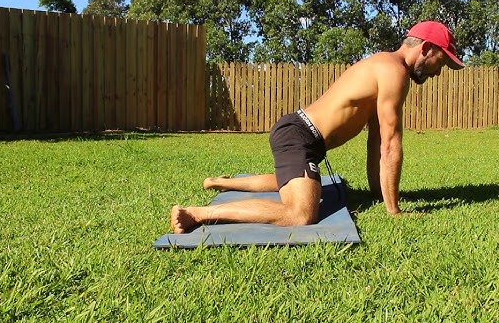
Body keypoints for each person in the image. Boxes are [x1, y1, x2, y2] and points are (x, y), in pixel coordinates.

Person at [170, 21, 465, 233]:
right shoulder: (393, 71)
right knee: (300, 214)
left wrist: (380, 195)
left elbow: (376, 141)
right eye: (442, 61)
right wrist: (395, 211)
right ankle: (196, 213)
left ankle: (220, 182)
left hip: (302, 135)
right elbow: (390, 144)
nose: (440, 71)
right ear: (426, 48)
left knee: (295, 180)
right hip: (300, 135)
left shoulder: (386, 67)